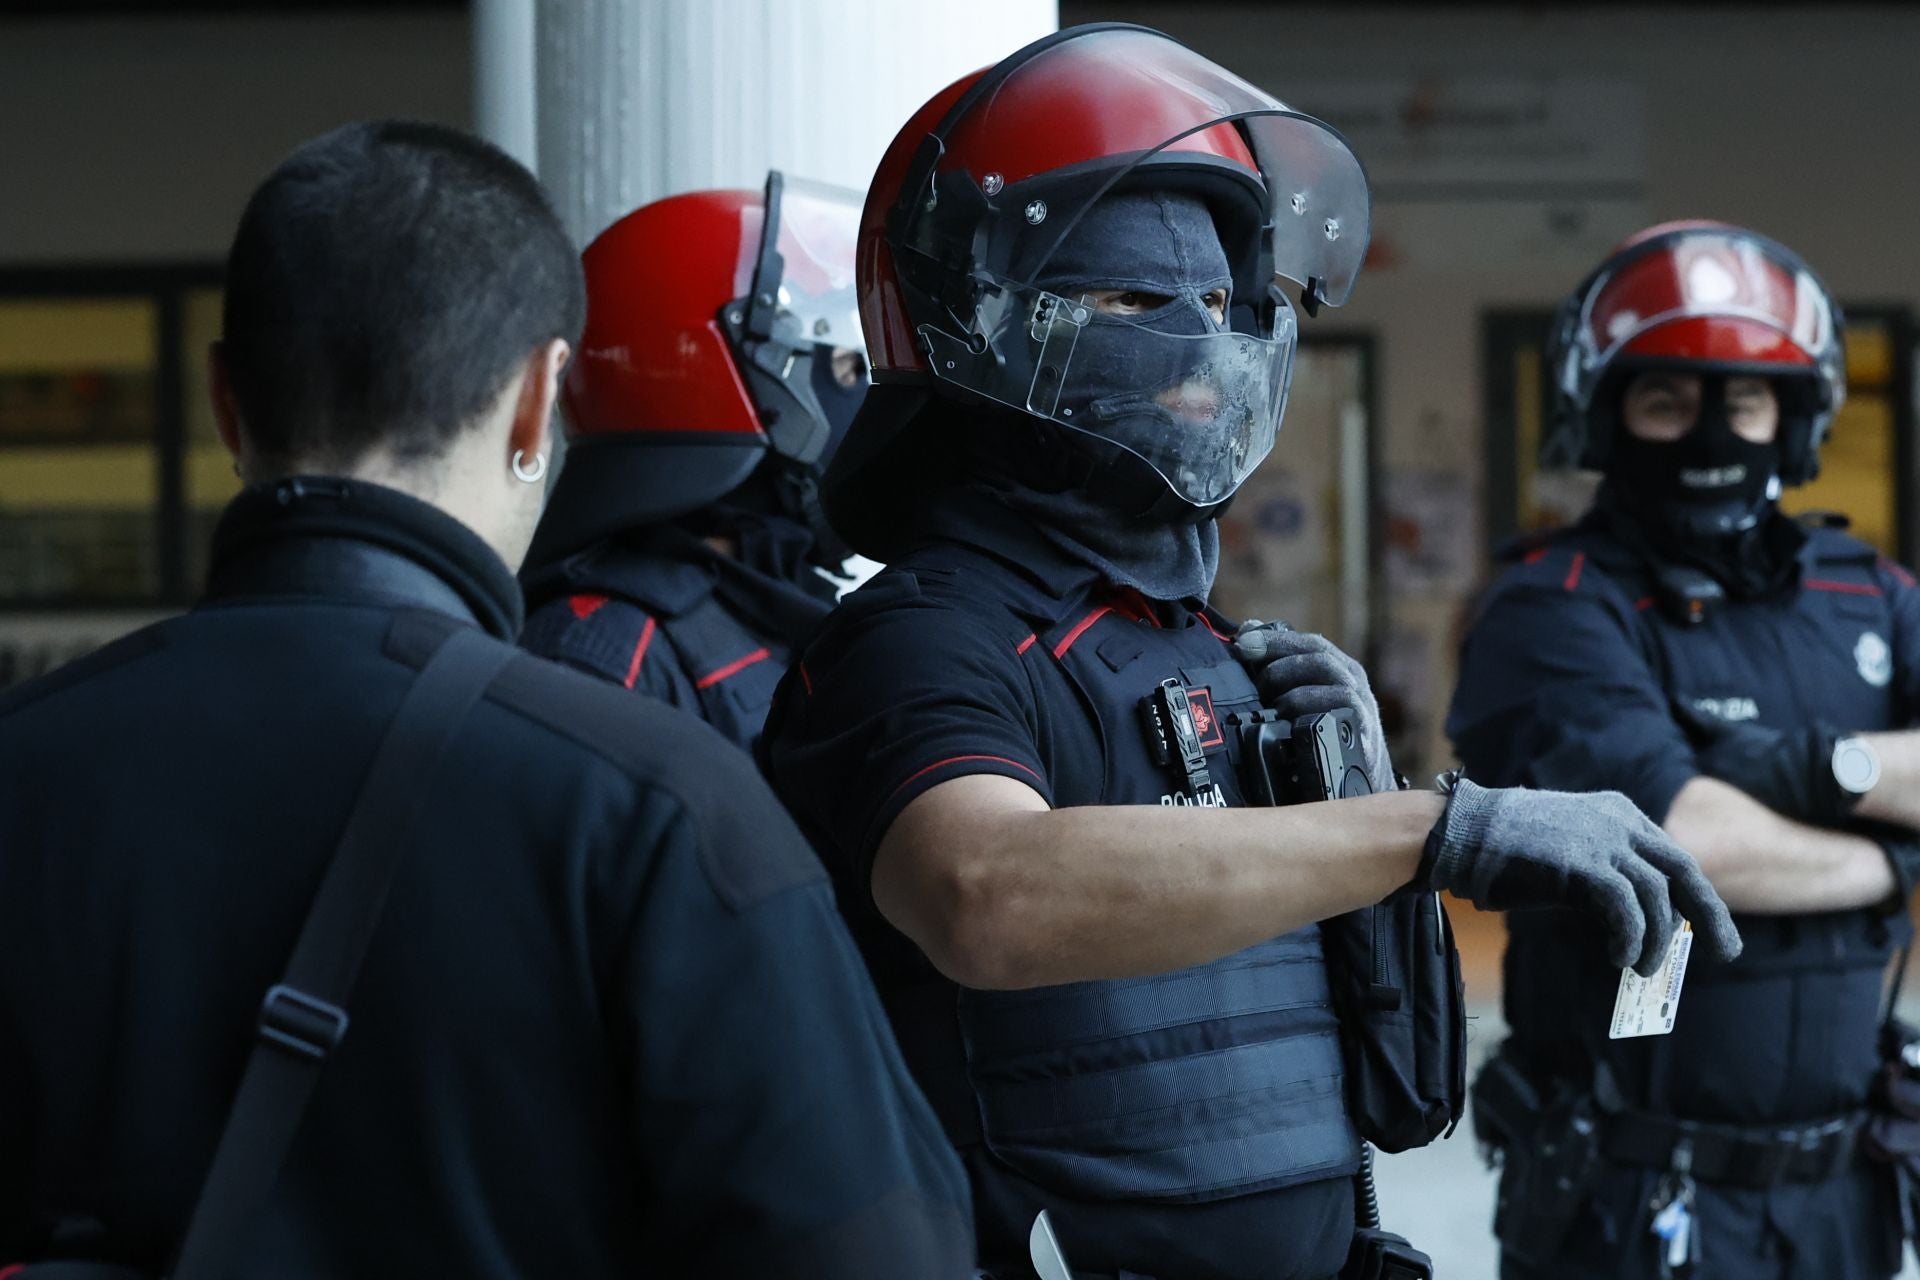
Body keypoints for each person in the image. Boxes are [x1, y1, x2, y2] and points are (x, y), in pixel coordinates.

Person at [758, 26, 1740, 1280]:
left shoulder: (1222, 655)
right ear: (986, 321)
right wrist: (1434, 828)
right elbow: (985, 890)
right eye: (1133, 301)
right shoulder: (919, 634)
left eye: (1222, 304)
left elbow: (1393, 1091)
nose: (1201, 351)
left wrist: (1358, 801)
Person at [0, 121, 973, 1279]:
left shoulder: (24, 767)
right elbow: (871, 1251)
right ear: (537, 403)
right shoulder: (657, 803)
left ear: (224, 400)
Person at [1448, 221, 1920, 1279]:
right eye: (1666, 401)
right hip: (1630, 1202)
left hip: (1847, 1199)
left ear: (1792, 420)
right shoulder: (1549, 608)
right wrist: (1894, 857)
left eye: (1743, 401)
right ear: (1604, 414)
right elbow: (1682, 840)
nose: (1710, 433)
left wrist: (1813, 766)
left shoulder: (1870, 595)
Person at [519, 173, 872, 748]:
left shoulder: (795, 613)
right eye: (844, 370)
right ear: (722, 380)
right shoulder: (599, 655)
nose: (867, 399)